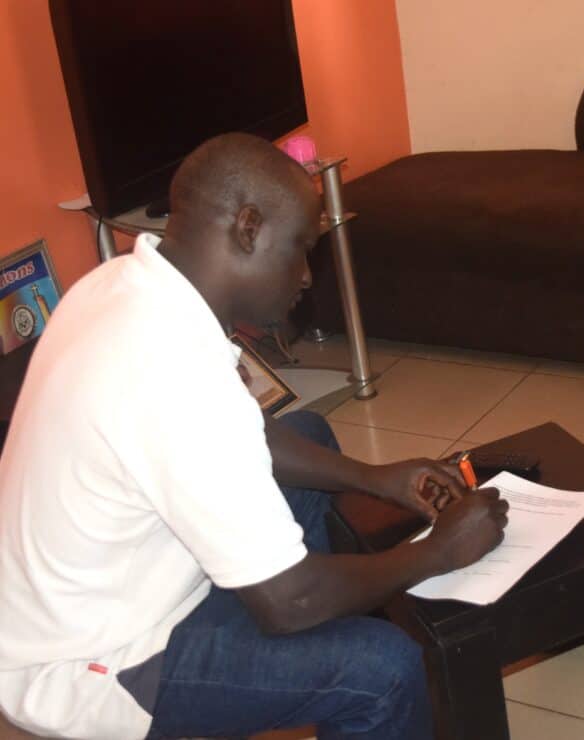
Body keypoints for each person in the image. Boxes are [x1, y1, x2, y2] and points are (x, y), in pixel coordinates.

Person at [0, 133, 509, 739]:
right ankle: (322, 649)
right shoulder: (167, 366)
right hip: (90, 660)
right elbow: (288, 603)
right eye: (300, 249)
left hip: (98, 586)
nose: (303, 276)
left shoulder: (124, 285)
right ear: (248, 227)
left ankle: (306, 626)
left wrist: (377, 478)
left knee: (307, 430)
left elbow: (252, 438)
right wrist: (437, 552)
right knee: (382, 669)